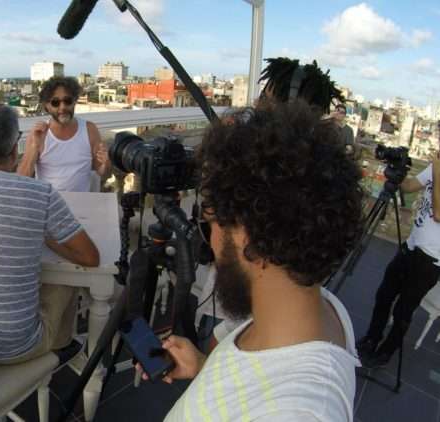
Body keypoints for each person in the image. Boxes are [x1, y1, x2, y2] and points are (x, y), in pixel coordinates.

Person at [138, 101, 364, 421]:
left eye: (209, 222)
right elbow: (254, 387)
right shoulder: (312, 305)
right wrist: (205, 367)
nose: (211, 242)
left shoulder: (300, 413)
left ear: (246, 235)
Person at [0, 104, 100, 365]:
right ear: (14, 148)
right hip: (14, 347)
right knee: (68, 279)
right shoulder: (39, 194)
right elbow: (90, 257)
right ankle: (60, 344)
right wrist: (44, 236)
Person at [205, 56, 346, 351]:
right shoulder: (322, 163)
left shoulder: (271, 172)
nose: (258, 105)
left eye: (266, 99)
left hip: (259, 296)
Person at [357, 149, 440, 368]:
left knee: (403, 310)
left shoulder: (438, 168)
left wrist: (438, 169)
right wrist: (397, 169)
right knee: (384, 294)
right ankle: (371, 338)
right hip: (411, 246)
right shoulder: (436, 167)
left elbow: (439, 213)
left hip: (430, 259)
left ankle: (385, 353)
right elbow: (410, 187)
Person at [17, 76, 110, 192]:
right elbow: (21, 179)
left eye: (68, 101)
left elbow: (102, 172)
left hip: (81, 204)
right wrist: (34, 147)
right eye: (55, 102)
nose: (63, 107)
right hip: (50, 206)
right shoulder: (39, 134)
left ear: (75, 101)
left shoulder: (89, 130)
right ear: (47, 106)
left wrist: (106, 164)